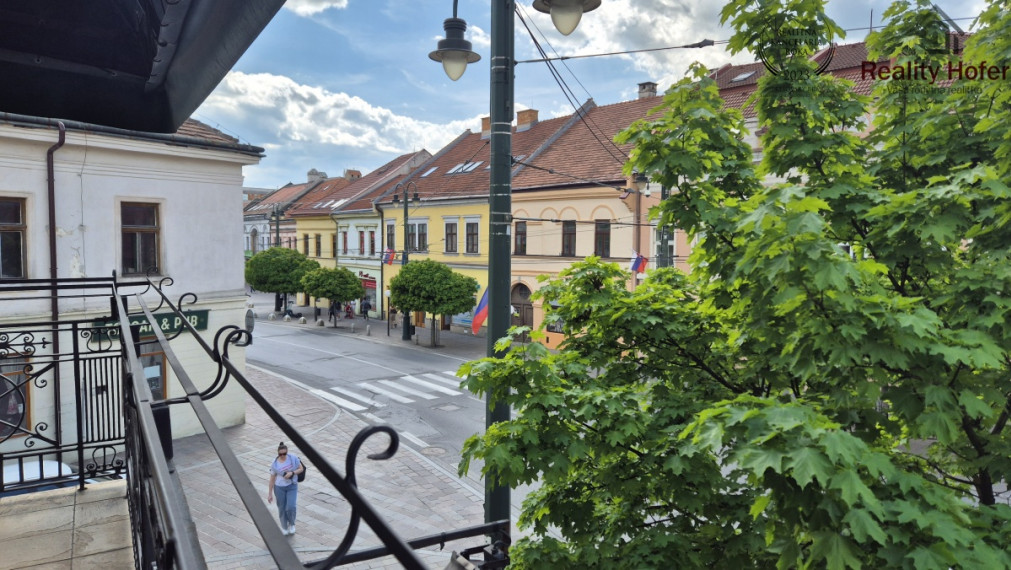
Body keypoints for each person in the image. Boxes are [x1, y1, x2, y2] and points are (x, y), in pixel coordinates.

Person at [267, 441, 303, 536]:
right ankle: (284, 526)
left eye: (284, 453)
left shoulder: (293, 458)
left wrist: (292, 473)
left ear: (287, 452)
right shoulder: (275, 465)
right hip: (279, 488)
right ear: (278, 453)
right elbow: (272, 479)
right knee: (282, 508)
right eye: (280, 454)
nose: (282, 455)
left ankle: (292, 524)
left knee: (291, 507)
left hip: (292, 486)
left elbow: (301, 468)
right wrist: (270, 493)